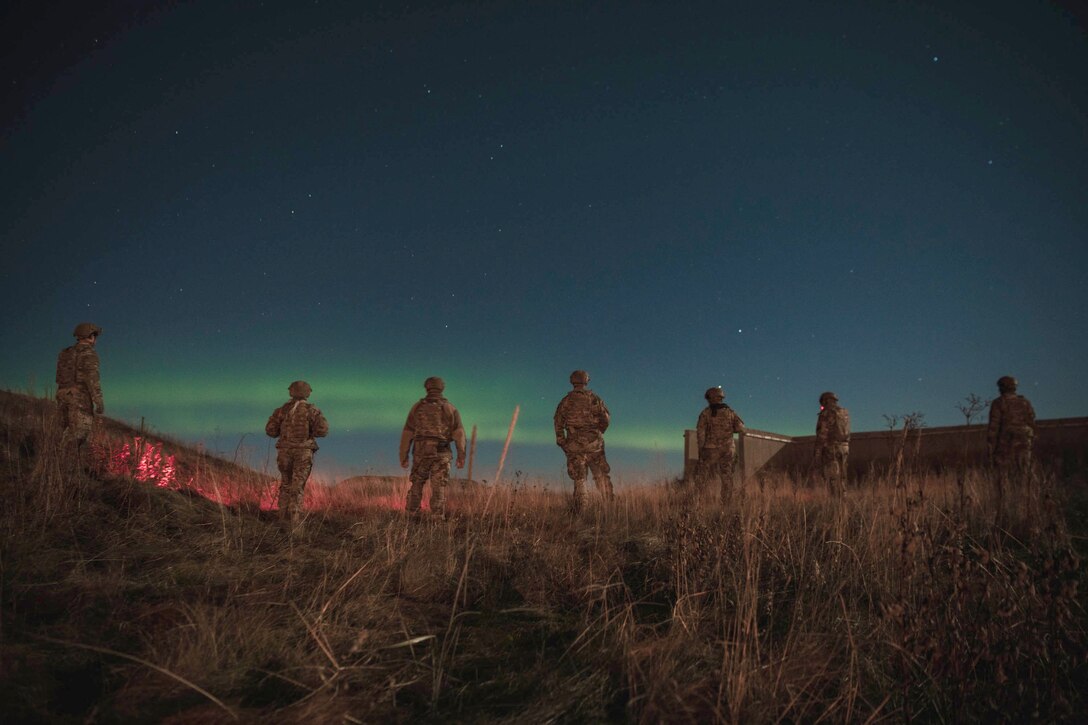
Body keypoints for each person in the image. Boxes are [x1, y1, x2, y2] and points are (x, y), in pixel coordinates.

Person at [399, 377, 466, 518]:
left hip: (421, 452)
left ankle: (411, 515)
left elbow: (407, 433)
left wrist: (403, 456)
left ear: (427, 387)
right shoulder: (450, 408)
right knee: (439, 487)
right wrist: (461, 455)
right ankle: (437, 518)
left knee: (417, 483)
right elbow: (459, 433)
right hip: (442, 453)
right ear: (442, 388)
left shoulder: (417, 408)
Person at [265, 380, 329, 525]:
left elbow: (270, 431)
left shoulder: (281, 410)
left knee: (286, 484)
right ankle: (295, 525)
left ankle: (282, 519)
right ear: (307, 393)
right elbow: (322, 431)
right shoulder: (312, 410)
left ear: (291, 392)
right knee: (297, 487)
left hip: (284, 452)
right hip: (303, 453)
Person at [554, 370, 613, 510]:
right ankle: (610, 509)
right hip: (594, 446)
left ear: (572, 381)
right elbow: (606, 419)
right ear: (586, 380)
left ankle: (581, 513)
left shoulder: (566, 401)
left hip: (574, 446)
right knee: (601, 476)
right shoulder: (594, 399)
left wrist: (562, 441)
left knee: (580, 480)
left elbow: (558, 422)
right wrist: (598, 431)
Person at [55, 322, 104, 455]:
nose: (96, 339)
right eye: (95, 336)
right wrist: (98, 401)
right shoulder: (89, 353)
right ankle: (64, 465)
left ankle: (54, 464)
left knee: (64, 431)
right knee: (79, 432)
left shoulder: (65, 352)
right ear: (91, 336)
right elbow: (92, 379)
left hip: (62, 394)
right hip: (79, 398)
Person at [696, 386, 745, 501]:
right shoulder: (730, 412)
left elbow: (700, 433)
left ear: (711, 398)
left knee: (702, 474)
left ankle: (698, 501)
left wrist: (701, 449)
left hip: (710, 449)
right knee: (726, 476)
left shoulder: (706, 413)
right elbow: (741, 428)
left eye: (708, 398)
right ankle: (726, 503)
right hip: (727, 449)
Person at [987, 375, 1036, 474]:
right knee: (1024, 469)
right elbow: (1031, 418)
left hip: (1006, 440)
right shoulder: (1024, 402)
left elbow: (994, 426)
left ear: (1001, 388)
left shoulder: (998, 403)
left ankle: (1009, 488)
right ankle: (1025, 488)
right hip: (1025, 439)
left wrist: (991, 444)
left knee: (1004, 471)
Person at [814, 391, 850, 496]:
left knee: (832, 477)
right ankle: (843, 500)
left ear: (826, 401)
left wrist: (817, 453)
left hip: (831, 448)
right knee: (842, 476)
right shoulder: (844, 412)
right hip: (844, 448)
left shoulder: (826, 413)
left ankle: (835, 503)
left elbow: (822, 434)